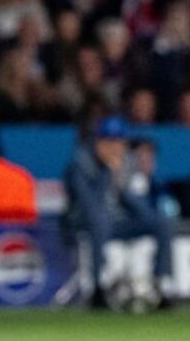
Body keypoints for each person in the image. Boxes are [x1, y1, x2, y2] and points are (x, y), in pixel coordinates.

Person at [65, 117, 175, 310]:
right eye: (109, 141)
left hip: (119, 222)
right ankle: (98, 289)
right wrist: (107, 173)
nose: (115, 148)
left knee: (162, 222)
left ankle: (160, 285)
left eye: (119, 142)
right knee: (100, 221)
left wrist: (123, 188)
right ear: (98, 142)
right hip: (83, 222)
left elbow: (139, 206)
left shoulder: (129, 162)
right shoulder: (81, 164)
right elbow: (89, 205)